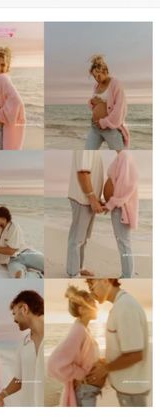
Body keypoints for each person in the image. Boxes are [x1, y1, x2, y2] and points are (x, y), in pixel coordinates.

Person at [86, 278, 151, 407]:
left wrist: (105, 368)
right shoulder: (120, 305)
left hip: (132, 392)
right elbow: (125, 348)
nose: (91, 294)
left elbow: (135, 355)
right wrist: (106, 360)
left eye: (92, 288)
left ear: (105, 280)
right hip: (128, 389)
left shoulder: (125, 307)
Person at [47, 285, 102, 407]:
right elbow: (54, 363)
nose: (96, 307)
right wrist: (81, 374)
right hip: (85, 392)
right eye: (92, 304)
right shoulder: (78, 330)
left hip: (88, 390)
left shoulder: (84, 329)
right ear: (82, 309)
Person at [0, 290, 44, 407]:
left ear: (24, 309)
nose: (14, 319)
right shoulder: (22, 344)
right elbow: (19, 379)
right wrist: (2, 395)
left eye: (14, 313)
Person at [67, 150, 104, 277]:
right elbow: (82, 172)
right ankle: (73, 272)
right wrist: (92, 198)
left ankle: (79, 267)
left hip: (88, 199)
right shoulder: (85, 147)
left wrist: (96, 198)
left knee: (83, 239)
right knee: (76, 240)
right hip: (82, 199)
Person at [0, 206, 44, 278]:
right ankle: (38, 275)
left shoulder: (14, 227)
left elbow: (11, 251)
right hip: (11, 261)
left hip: (25, 254)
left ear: (3, 219)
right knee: (18, 276)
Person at [103, 151, 139, 278]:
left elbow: (126, 186)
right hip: (117, 208)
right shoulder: (122, 156)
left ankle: (127, 275)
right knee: (124, 243)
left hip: (120, 208)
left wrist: (110, 204)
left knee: (124, 243)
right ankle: (129, 272)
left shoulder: (124, 156)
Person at [85, 55, 129, 150]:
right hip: (95, 128)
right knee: (88, 153)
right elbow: (94, 105)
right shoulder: (96, 86)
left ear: (105, 71)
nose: (97, 78)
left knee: (121, 155)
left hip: (110, 128)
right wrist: (91, 102)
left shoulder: (115, 84)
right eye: (94, 76)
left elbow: (119, 109)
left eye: (98, 75)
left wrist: (104, 123)